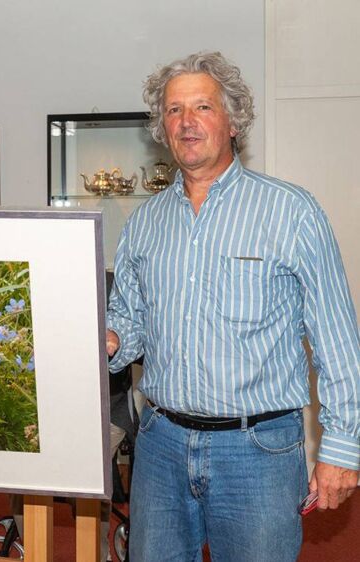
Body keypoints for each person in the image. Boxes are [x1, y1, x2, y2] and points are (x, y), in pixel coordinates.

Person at [106, 52, 359, 561]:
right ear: (162, 127)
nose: (186, 121)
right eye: (174, 111)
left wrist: (343, 446)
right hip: (159, 446)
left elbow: (336, 337)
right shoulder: (145, 222)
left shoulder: (291, 210)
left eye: (202, 106)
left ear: (233, 120)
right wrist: (110, 339)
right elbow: (130, 323)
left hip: (258, 452)